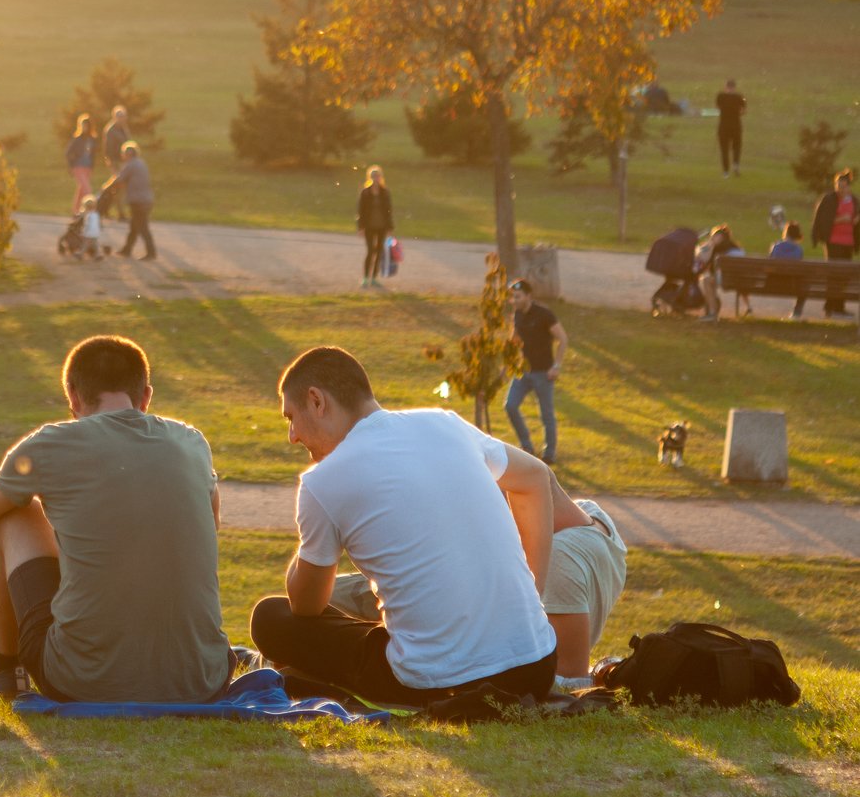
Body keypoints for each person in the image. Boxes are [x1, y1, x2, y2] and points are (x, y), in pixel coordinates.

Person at [249, 347, 559, 706]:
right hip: (536, 666)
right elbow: (536, 478)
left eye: (291, 418)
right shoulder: (445, 424)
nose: (292, 436)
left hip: (434, 684)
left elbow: (306, 606)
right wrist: (531, 597)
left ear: (317, 401)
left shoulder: (323, 482)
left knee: (270, 616)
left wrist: (303, 553)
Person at [0, 335, 231, 702]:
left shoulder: (50, 444)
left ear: (72, 395)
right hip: (202, 680)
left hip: (85, 680)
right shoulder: (192, 443)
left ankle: (2, 669)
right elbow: (210, 526)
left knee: (12, 514)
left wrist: (65, 550)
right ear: (146, 396)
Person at [328, 492, 626, 694]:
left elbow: (568, 680)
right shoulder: (588, 518)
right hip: (449, 591)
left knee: (319, 605)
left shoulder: (560, 560)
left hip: (447, 612)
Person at [505, 278, 567, 462]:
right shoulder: (517, 314)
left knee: (546, 414)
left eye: (518, 297)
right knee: (510, 405)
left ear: (528, 296)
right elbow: (513, 341)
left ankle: (549, 453)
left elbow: (563, 339)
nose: (514, 301)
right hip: (522, 371)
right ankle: (527, 446)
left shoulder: (544, 315)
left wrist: (556, 366)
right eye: (512, 297)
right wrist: (508, 365)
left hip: (543, 372)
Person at [811, 168, 856, 317]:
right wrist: (840, 220)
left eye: (843, 186)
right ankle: (830, 306)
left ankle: (840, 306)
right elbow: (823, 220)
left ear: (849, 186)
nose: (840, 189)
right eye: (838, 185)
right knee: (834, 274)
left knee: (844, 275)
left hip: (848, 242)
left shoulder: (853, 200)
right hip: (834, 241)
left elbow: (856, 215)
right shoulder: (829, 199)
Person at [104, 141, 156, 260]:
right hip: (147, 199)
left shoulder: (131, 164)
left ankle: (151, 252)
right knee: (134, 226)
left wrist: (107, 187)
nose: (123, 156)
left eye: (123, 154)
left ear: (127, 154)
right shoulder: (141, 163)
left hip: (138, 201)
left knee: (142, 227)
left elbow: (119, 180)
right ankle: (127, 249)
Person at [356, 166, 393, 288]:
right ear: (370, 178)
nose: (375, 178)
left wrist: (390, 227)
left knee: (379, 251)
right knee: (370, 251)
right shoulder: (365, 192)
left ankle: (374, 278)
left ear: (380, 177)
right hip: (369, 226)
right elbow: (360, 211)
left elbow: (389, 211)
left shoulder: (385, 192)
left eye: (377, 176)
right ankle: (366, 277)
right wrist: (360, 227)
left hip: (382, 226)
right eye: (373, 176)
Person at [694, 224, 739, 322]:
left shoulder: (722, 250)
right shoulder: (735, 249)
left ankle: (712, 313)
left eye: (715, 237)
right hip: (737, 279)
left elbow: (702, 260)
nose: (713, 239)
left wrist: (710, 247)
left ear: (722, 238)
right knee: (708, 280)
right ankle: (712, 311)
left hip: (728, 278)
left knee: (707, 280)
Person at [769, 221, 807, 320]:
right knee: (803, 284)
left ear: (786, 233)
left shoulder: (776, 247)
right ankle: (796, 313)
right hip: (792, 285)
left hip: (774, 284)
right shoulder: (799, 250)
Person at [101, 106, 132, 219]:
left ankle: (106, 209)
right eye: (120, 117)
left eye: (124, 117)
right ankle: (120, 213)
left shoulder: (123, 129)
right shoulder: (111, 130)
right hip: (116, 162)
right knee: (118, 188)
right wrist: (112, 165)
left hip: (124, 163)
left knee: (118, 189)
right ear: (115, 117)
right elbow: (108, 150)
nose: (123, 119)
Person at [64, 114, 98, 214]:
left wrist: (92, 166)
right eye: (82, 126)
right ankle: (91, 209)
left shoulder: (92, 139)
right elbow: (68, 152)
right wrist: (72, 164)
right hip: (78, 167)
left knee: (81, 190)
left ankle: (76, 210)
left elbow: (93, 155)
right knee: (87, 189)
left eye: (86, 126)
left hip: (87, 167)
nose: (84, 128)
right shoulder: (77, 139)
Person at [714, 79, 746, 177]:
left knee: (724, 149)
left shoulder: (720, 96)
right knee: (736, 146)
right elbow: (743, 108)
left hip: (723, 126)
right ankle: (735, 163)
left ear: (726, 86)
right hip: (736, 125)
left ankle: (726, 172)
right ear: (734, 87)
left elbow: (717, 106)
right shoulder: (739, 97)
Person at [78, 195, 104, 260]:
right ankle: (98, 254)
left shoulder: (88, 215)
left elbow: (87, 225)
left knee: (86, 243)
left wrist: (83, 232)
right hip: (96, 232)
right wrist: (100, 228)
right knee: (95, 243)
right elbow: (99, 223)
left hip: (89, 232)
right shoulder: (96, 214)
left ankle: (81, 254)